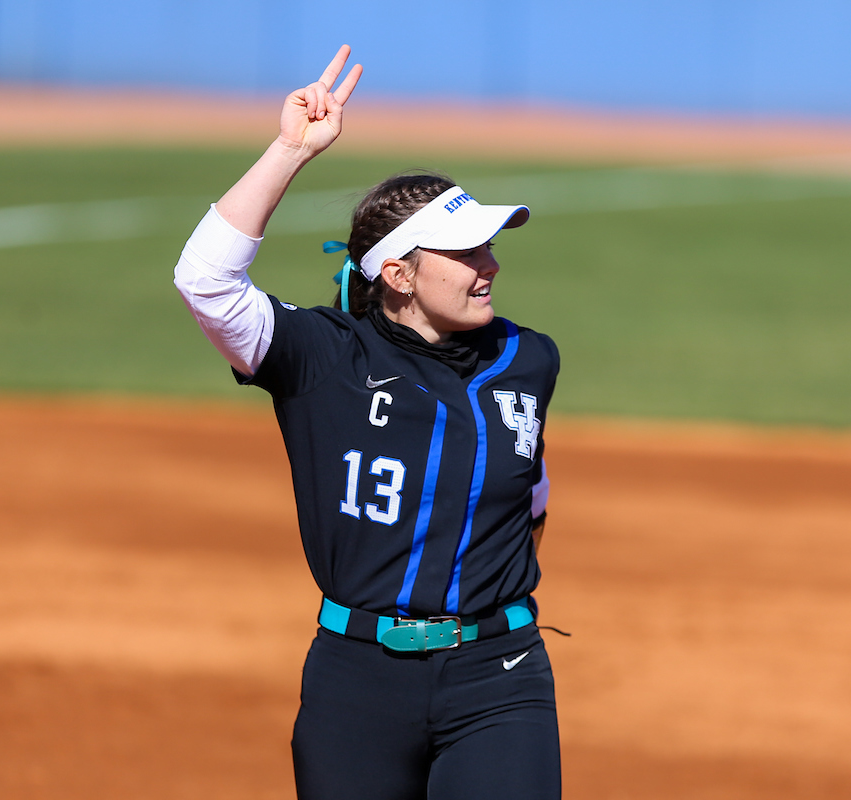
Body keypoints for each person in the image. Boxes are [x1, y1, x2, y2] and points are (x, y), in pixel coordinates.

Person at [173, 46, 561, 799]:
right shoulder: (322, 357)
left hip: (500, 675)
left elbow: (533, 491)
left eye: (490, 244)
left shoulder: (527, 358)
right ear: (398, 274)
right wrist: (291, 149)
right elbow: (205, 281)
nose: (490, 264)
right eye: (465, 250)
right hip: (357, 680)